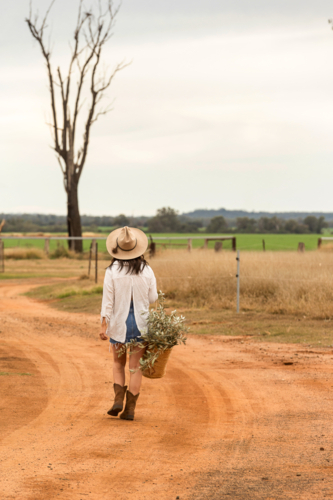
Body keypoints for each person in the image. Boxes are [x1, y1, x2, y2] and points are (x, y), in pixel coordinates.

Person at [99, 226, 158, 421]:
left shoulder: (112, 270)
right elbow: (152, 298)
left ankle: (118, 400)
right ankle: (130, 410)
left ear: (117, 248)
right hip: (141, 324)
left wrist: (103, 325)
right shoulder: (147, 269)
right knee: (135, 368)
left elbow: (107, 300)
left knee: (118, 363)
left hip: (118, 324)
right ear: (137, 248)